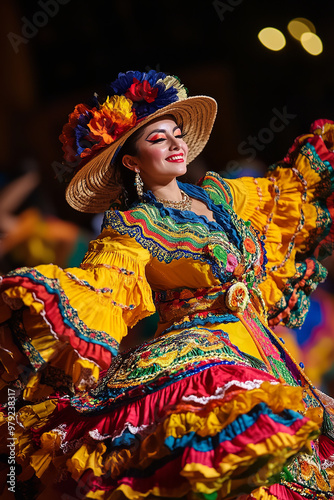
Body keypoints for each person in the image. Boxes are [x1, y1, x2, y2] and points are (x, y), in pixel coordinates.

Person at [0, 70, 334, 500]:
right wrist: (39, 298)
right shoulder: (129, 228)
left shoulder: (220, 196)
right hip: (205, 364)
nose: (176, 144)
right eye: (158, 139)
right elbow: (104, 289)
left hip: (267, 352)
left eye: (176, 134)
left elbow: (285, 192)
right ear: (132, 161)